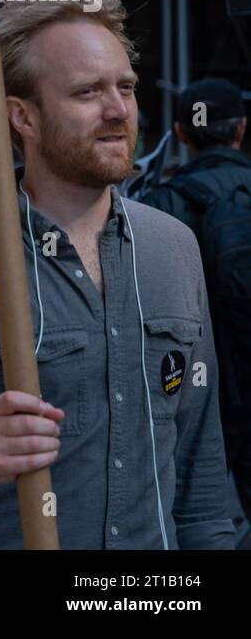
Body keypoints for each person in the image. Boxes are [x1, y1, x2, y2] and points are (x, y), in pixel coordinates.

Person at [0, 0, 234, 549]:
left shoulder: (175, 249)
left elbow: (200, 460)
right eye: (88, 91)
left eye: (126, 87)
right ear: (23, 116)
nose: (118, 110)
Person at [140, 77, 251, 526]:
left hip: (195, 393)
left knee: (189, 513)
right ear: (241, 128)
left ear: (181, 133)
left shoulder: (161, 204)